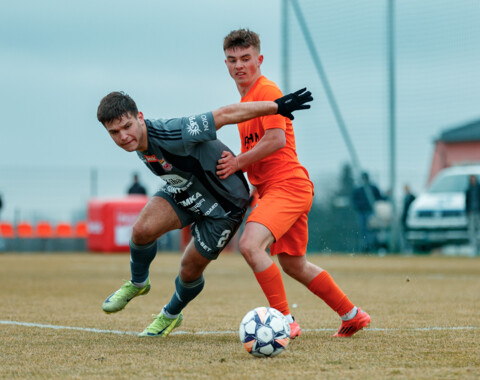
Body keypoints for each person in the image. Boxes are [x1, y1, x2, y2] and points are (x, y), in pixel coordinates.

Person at [97, 88, 312, 337]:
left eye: (127, 126)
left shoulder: (174, 131)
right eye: (114, 132)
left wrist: (276, 107)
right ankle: (138, 283)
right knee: (141, 230)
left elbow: (224, 113)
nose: (123, 136)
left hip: (224, 205)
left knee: (189, 270)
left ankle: (170, 315)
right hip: (184, 189)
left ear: (140, 117)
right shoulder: (138, 142)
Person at [217, 29, 370, 338]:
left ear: (259, 59)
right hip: (277, 190)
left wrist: (237, 163)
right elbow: (260, 154)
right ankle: (352, 314)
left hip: (288, 186)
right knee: (293, 264)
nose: (239, 66)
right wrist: (251, 188)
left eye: (246, 58)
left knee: (249, 245)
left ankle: (284, 322)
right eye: (233, 60)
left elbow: (276, 140)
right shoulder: (246, 101)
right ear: (226, 63)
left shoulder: (267, 91)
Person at [352, 172, 383, 253]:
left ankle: (371, 245)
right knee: (363, 229)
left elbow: (379, 198)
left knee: (371, 229)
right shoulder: (359, 189)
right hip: (361, 212)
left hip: (370, 211)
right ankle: (365, 246)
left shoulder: (373, 188)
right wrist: (359, 207)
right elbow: (354, 200)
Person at [465, 175, 480, 255]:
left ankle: (478, 248)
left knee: (478, 231)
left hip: (478, 212)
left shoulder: (479, 189)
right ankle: (473, 248)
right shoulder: (468, 190)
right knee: (472, 231)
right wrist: (467, 212)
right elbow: (466, 202)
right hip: (471, 213)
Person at [400, 184, 415, 252]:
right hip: (405, 219)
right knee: (405, 235)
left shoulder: (412, 197)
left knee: (410, 234)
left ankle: (410, 249)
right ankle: (406, 249)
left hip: (410, 219)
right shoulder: (405, 198)